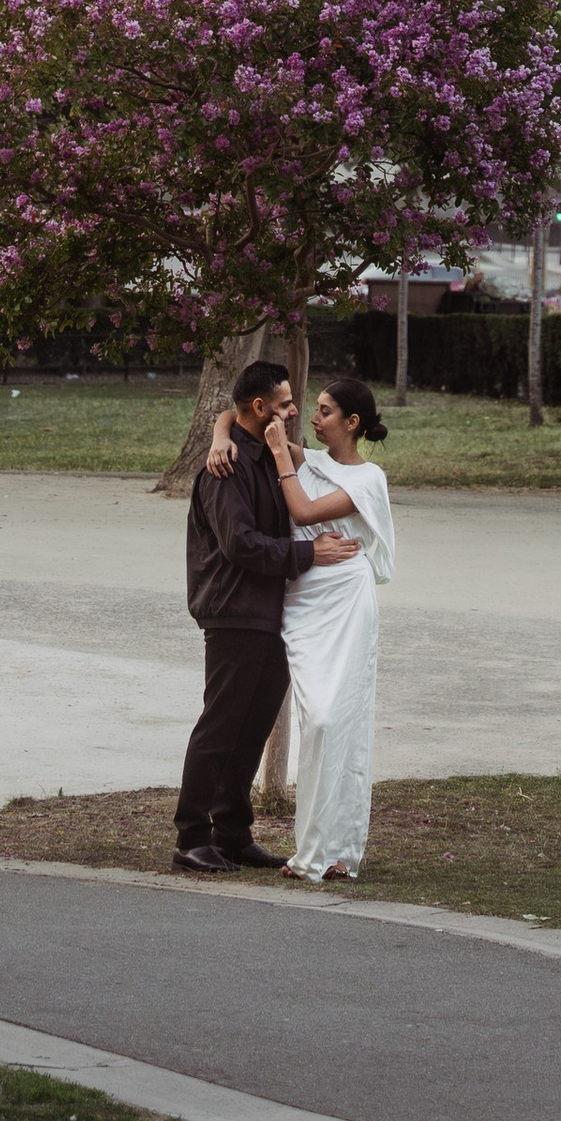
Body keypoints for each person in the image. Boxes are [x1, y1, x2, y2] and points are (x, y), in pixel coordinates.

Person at [173, 356, 359, 876]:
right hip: (234, 610)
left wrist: (223, 425)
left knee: (251, 730)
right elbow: (240, 544)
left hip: (273, 612)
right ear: (259, 408)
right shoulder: (225, 466)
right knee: (220, 727)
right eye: (284, 404)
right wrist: (308, 555)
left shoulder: (264, 454)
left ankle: (232, 834)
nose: (295, 410)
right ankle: (191, 837)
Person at [206, 371, 394, 883]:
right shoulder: (309, 459)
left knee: (339, 720)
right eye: (312, 408)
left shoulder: (366, 479)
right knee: (314, 721)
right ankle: (311, 846)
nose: (311, 416)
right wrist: (222, 435)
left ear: (352, 423)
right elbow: (240, 413)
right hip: (302, 600)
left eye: (325, 411)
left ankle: (334, 851)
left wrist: (285, 460)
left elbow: (304, 510)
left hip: (345, 600)